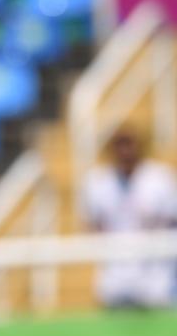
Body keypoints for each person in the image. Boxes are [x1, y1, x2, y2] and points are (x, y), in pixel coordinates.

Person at [81, 129, 177, 308]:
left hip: (156, 276)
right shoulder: (98, 183)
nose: (125, 151)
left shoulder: (160, 179)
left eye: (129, 144)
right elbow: (92, 225)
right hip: (115, 278)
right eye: (120, 145)